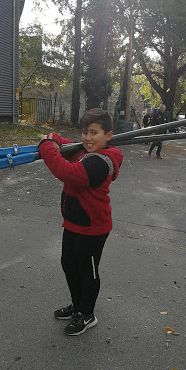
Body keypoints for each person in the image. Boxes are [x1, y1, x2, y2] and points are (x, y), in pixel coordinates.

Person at [38, 108, 123, 336]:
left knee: (87, 271)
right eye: (85, 132)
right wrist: (54, 138)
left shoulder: (100, 162)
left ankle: (87, 314)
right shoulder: (85, 150)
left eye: (94, 133)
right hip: (74, 223)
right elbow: (68, 144)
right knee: (69, 264)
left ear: (108, 135)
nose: (87, 138)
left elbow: (67, 172)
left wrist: (46, 146)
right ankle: (77, 306)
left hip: (93, 228)